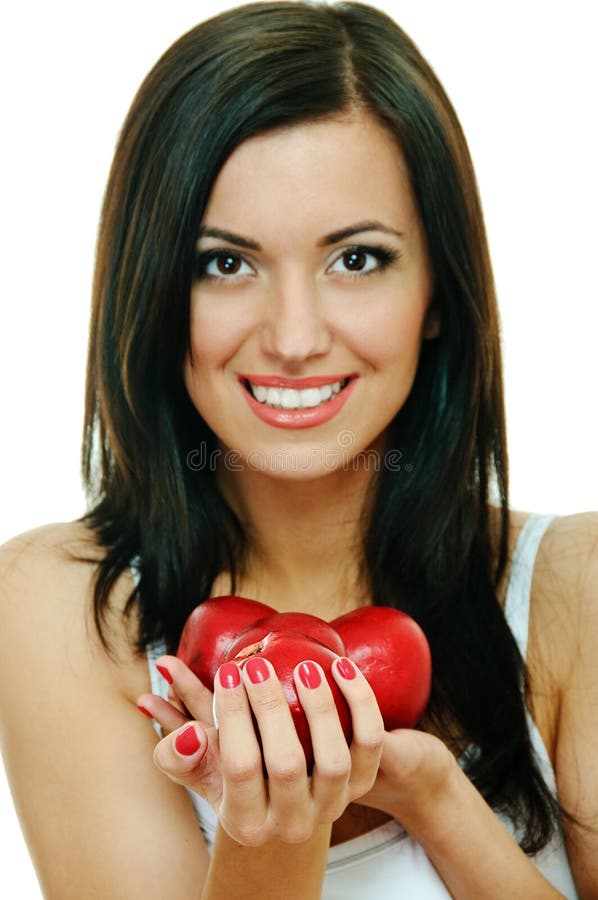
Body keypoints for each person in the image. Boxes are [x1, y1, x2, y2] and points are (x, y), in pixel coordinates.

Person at [0, 1, 596, 897]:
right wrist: (269, 834)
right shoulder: (62, 609)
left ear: (439, 291)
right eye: (225, 263)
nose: (292, 337)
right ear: (157, 292)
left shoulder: (572, 590)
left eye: (355, 259)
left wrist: (437, 798)